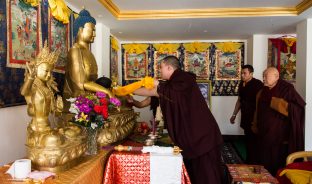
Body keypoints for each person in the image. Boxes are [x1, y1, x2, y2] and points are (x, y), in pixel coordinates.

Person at [132, 56, 223, 184]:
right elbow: (154, 92)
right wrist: (126, 90)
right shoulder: (171, 85)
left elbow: (160, 90)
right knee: (196, 172)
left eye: (161, 68)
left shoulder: (184, 79)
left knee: (207, 173)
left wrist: (156, 83)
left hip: (202, 135)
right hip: (194, 134)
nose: (160, 71)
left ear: (169, 67)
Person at [251, 67, 305, 175]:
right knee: (264, 159)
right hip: (264, 132)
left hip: (280, 135)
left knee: (277, 161)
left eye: (266, 76)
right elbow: (258, 110)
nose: (264, 79)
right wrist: (255, 124)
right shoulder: (262, 91)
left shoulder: (287, 89)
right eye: (263, 76)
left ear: (276, 76)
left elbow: (298, 108)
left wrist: (276, 103)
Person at [63, 9, 113, 111]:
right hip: (78, 99)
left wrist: (105, 89)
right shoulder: (75, 51)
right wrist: (107, 92)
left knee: (122, 100)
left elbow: (93, 81)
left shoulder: (89, 53)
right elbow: (81, 83)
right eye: (92, 30)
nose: (94, 34)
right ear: (81, 30)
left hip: (91, 96)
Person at [230, 64, 263, 164]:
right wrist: (234, 114)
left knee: (254, 141)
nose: (242, 75)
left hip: (254, 116)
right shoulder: (242, 84)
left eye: (245, 73)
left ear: (251, 74)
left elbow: (260, 103)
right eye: (241, 73)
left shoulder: (257, 84)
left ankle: (255, 162)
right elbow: (239, 100)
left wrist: (255, 121)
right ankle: (249, 160)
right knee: (248, 139)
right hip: (245, 115)